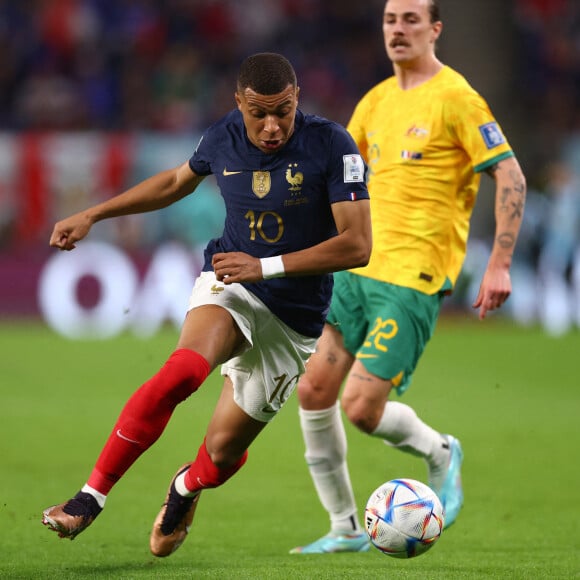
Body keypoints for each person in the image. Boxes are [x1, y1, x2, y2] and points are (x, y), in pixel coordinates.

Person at [41, 52, 372, 558]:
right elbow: (176, 182)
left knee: (220, 456)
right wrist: (93, 214)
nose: (270, 125)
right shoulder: (223, 135)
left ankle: (185, 488)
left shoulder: (332, 144)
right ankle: (90, 497)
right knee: (182, 373)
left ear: (297, 98)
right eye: (257, 112)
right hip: (231, 285)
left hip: (295, 320)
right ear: (238, 102)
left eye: (281, 110)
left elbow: (357, 245)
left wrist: (266, 265)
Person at [290, 0, 527, 554]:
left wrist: (499, 262)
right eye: (390, 20)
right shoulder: (374, 102)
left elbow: (510, 175)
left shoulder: (456, 98)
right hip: (357, 269)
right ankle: (345, 528)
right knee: (313, 388)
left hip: (413, 277)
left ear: (435, 29)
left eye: (411, 20)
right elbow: (343, 183)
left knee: (360, 408)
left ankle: (441, 451)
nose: (398, 29)